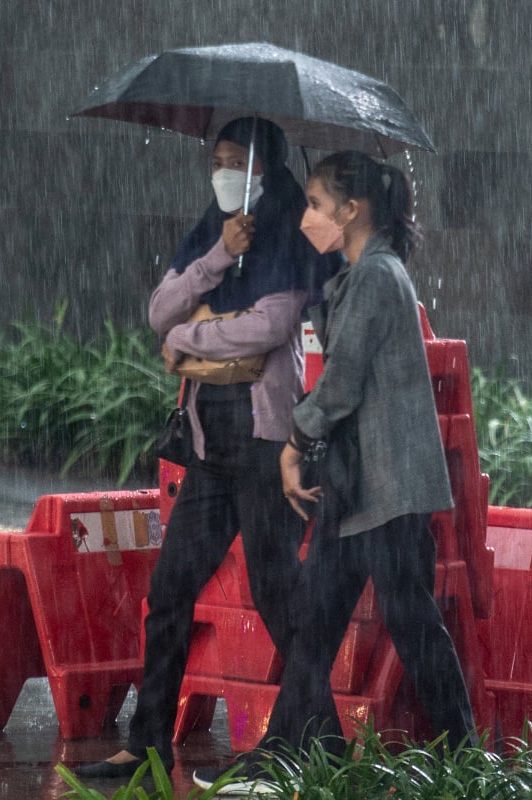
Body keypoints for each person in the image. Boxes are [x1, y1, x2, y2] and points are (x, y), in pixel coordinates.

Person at [193, 150, 476, 795]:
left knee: (411, 619)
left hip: (389, 486)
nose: (307, 218)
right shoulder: (355, 276)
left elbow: (342, 382)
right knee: (314, 623)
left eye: (317, 206)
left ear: (351, 211)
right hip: (352, 485)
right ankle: (281, 756)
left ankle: (466, 756)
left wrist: (294, 441)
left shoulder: (379, 276)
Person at [71, 117, 338, 781]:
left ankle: (323, 735)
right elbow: (160, 309)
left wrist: (192, 341)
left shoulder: (283, 228)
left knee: (276, 590)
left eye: (234, 162)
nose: (221, 173)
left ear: (264, 168)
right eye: (215, 160)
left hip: (264, 443)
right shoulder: (215, 228)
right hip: (208, 449)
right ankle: (147, 741)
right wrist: (217, 256)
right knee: (170, 588)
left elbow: (270, 326)